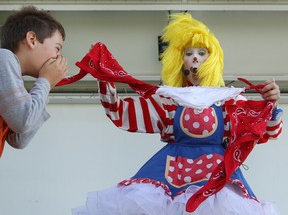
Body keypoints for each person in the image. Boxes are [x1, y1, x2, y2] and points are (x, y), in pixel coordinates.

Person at [72, 13, 283, 215]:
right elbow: (120, 112)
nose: (195, 59)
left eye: (202, 53)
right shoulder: (170, 100)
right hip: (171, 171)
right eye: (188, 53)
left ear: (213, 59)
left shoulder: (229, 100)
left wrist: (271, 105)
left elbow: (269, 132)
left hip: (216, 176)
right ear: (179, 61)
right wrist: (103, 76)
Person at [0, 6, 68, 157]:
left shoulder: (11, 79)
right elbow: (23, 121)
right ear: (32, 39)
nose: (58, 58)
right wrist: (46, 81)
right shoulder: (3, 58)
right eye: (57, 48)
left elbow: (18, 139)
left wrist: (47, 85)